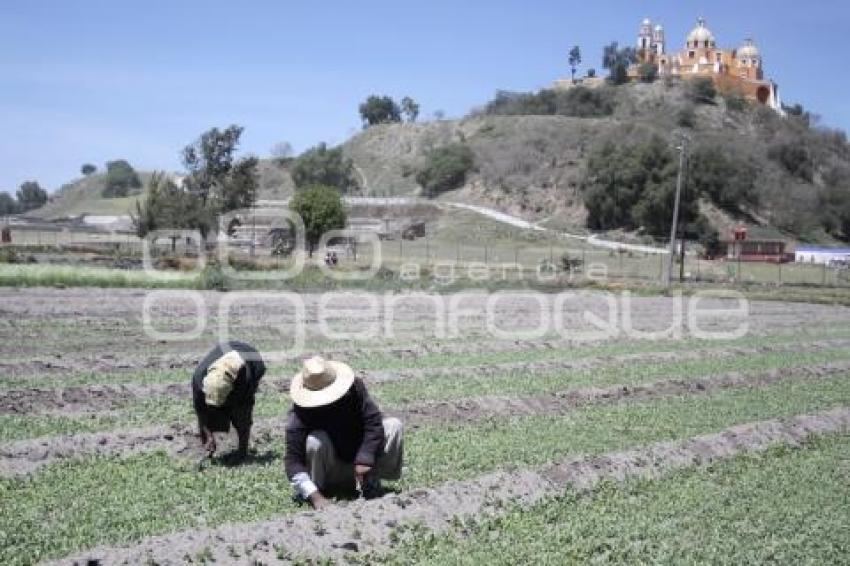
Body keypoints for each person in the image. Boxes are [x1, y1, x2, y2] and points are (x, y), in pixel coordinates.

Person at [284, 356, 403, 509]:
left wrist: (365, 458)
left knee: (394, 426)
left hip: (359, 462)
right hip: (330, 470)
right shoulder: (300, 413)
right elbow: (293, 461)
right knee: (315, 441)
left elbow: (373, 421)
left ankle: (370, 481)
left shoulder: (354, 389)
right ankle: (323, 489)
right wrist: (315, 496)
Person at [191, 341, 266, 461]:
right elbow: (200, 409)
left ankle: (242, 451)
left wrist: (242, 450)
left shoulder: (245, 381)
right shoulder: (199, 379)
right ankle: (208, 444)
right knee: (209, 411)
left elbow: (245, 412)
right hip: (225, 352)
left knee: (241, 414)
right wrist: (207, 435)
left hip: (251, 358)